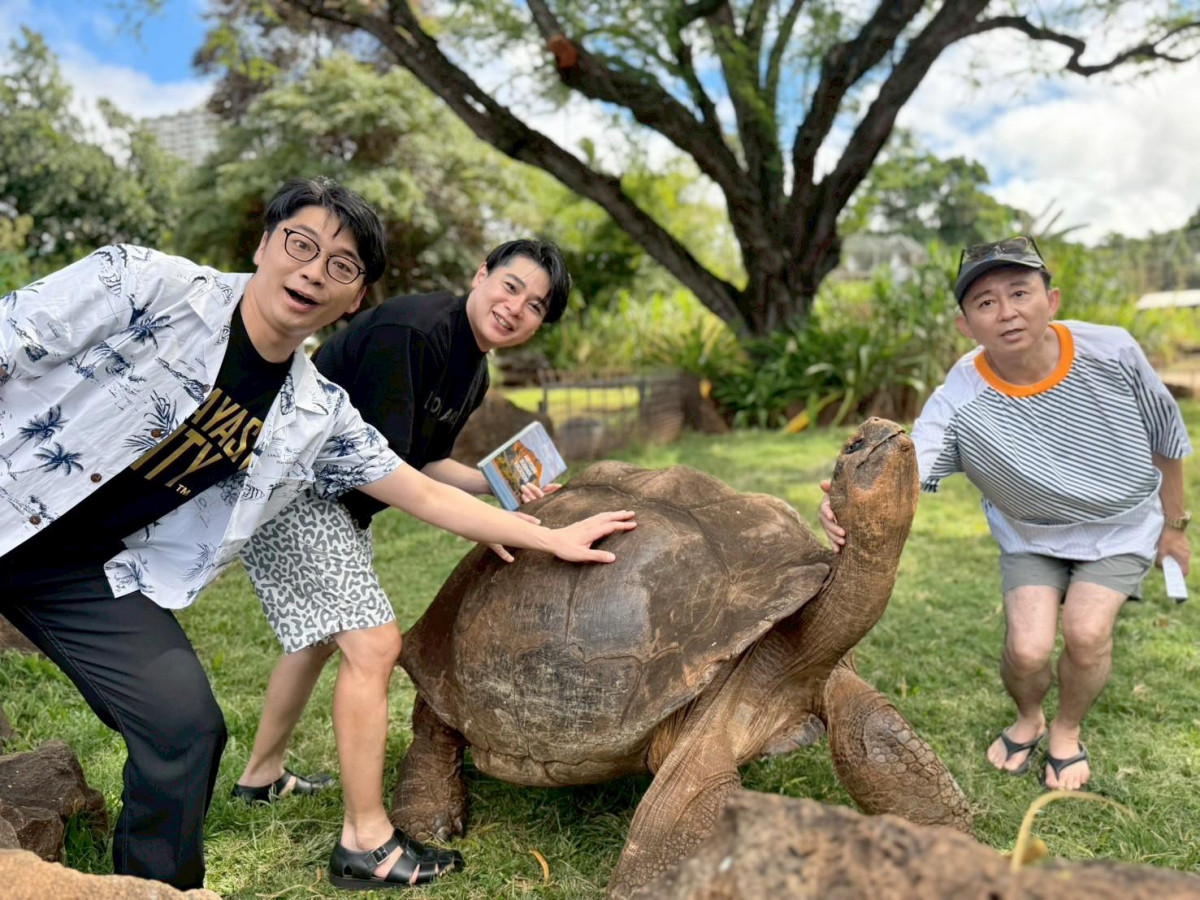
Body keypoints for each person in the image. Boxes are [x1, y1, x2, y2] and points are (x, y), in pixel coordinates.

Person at [0, 177, 635, 891]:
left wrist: (546, 534)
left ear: (353, 295)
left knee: (188, 729)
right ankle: (359, 836)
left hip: (80, 570)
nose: (313, 270)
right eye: (301, 244)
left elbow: (417, 482)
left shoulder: (313, 411)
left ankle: (162, 887)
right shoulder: (148, 284)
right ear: (264, 244)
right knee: (366, 640)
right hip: (16, 498)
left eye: (341, 266)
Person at [231, 239, 571, 885]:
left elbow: (417, 458)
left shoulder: (475, 368)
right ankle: (365, 843)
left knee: (315, 642)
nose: (515, 308)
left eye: (534, 306)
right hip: (295, 489)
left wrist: (495, 488)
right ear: (481, 275)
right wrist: (498, 523)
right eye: (510, 287)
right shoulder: (414, 330)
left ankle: (261, 777)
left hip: (335, 500)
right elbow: (392, 475)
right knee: (371, 644)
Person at [818, 236, 1191, 792]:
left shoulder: (1113, 352)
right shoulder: (961, 394)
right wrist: (846, 498)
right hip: (1031, 534)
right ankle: (1028, 717)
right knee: (1027, 649)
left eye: (1020, 292)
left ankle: (1066, 729)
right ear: (966, 324)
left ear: (1052, 299)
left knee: (1086, 633)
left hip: (1121, 527)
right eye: (986, 302)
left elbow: (1167, 437)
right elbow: (910, 463)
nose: (1007, 311)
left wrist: (1175, 527)